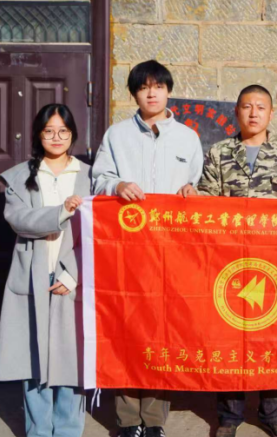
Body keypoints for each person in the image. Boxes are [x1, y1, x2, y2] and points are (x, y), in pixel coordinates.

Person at [193, 84, 277, 437]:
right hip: (229, 260)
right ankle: (229, 416)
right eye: (247, 106)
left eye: (260, 107)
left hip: (275, 261)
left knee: (274, 336)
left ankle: (273, 414)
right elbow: (207, 199)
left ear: (271, 113)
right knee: (229, 336)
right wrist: (192, 195)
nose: (253, 113)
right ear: (236, 112)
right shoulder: (219, 152)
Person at [92, 60, 204, 437]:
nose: (151, 93)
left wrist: (192, 190)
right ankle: (128, 420)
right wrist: (117, 185)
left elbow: (198, 184)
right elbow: (99, 178)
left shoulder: (187, 138)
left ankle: (154, 420)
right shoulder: (117, 135)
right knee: (126, 328)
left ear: (168, 91)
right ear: (134, 94)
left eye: (158, 86)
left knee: (161, 331)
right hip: (126, 248)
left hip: (171, 249)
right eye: (143, 87)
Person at [0, 103, 91, 437]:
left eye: (63, 131)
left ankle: (68, 430)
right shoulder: (21, 176)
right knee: (33, 359)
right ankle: (38, 431)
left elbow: (96, 233)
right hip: (32, 277)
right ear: (38, 134)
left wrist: (72, 274)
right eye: (49, 131)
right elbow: (19, 219)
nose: (56, 137)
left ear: (73, 134)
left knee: (72, 359)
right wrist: (61, 211)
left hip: (72, 278)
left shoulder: (89, 176)